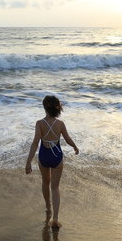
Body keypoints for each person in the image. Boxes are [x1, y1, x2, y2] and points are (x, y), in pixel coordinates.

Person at [25, 95, 79, 229]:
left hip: (44, 156)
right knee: (55, 187)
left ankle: (48, 208)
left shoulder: (39, 123)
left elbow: (35, 143)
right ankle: (55, 218)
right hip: (57, 157)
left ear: (44, 107)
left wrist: (28, 162)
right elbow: (67, 139)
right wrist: (75, 147)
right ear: (57, 108)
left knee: (45, 182)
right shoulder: (60, 124)